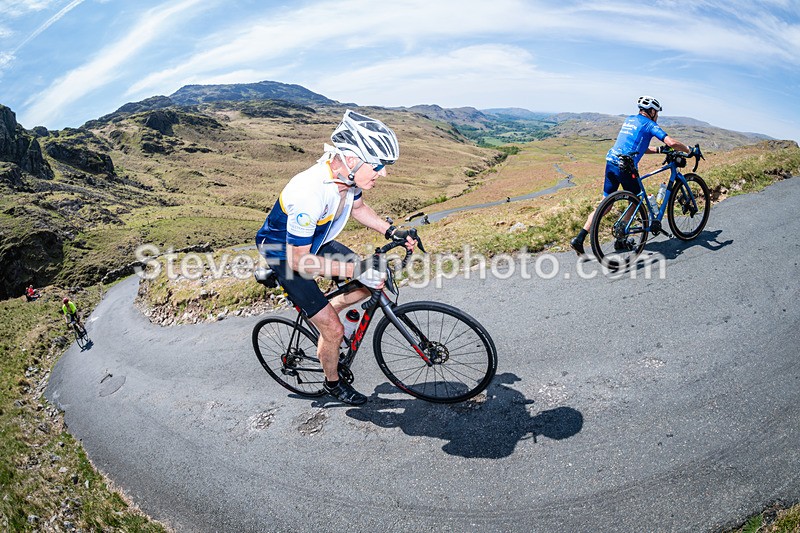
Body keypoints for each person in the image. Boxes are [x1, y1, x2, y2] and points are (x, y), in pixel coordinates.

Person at [256, 110, 417, 405]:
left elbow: (358, 209)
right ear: (353, 159)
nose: (383, 174)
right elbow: (299, 261)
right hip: (285, 253)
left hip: (317, 241)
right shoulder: (309, 193)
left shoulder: (348, 178)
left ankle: (326, 307)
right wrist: (355, 267)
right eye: (379, 166)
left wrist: (390, 231)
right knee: (334, 329)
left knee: (374, 279)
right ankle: (332, 384)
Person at [570, 96, 694, 256]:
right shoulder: (650, 124)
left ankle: (579, 239)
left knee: (605, 205)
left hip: (611, 163)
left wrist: (658, 150)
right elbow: (671, 142)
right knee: (637, 202)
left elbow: (638, 145)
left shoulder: (630, 120)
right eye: (656, 112)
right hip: (625, 168)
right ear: (651, 111)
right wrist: (689, 150)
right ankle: (621, 236)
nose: (657, 115)